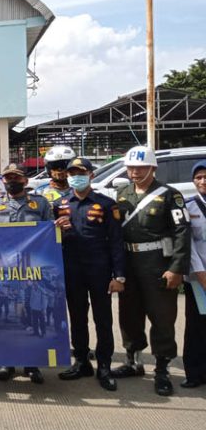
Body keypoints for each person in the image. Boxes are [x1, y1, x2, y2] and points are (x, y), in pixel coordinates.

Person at [110, 145, 191, 396]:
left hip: (157, 263)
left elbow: (182, 232)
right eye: (131, 167)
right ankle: (133, 361)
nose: (135, 172)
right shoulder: (122, 194)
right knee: (129, 314)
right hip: (129, 263)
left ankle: (162, 369)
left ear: (152, 168)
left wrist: (177, 268)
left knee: (162, 317)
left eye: (141, 167)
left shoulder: (170, 195)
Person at [53, 157, 124, 391]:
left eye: (80, 172)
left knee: (103, 318)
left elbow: (116, 241)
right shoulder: (62, 204)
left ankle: (104, 365)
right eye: (72, 172)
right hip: (72, 269)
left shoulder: (106, 204)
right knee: (77, 316)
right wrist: (57, 229)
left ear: (91, 175)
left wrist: (119, 275)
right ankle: (81, 360)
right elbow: (52, 240)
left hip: (100, 269)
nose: (75, 176)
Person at [0, 162, 53, 384]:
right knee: (4, 317)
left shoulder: (41, 204)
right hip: (4, 271)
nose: (11, 181)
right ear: (2, 181)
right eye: (7, 178)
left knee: (33, 314)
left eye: (16, 177)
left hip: (32, 269)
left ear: (25, 180)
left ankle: (32, 365)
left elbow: (50, 235)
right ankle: (7, 361)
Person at [183, 160, 206, 388]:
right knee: (196, 326)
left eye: (205, 176)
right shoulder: (189, 207)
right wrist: (201, 276)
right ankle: (194, 373)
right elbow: (187, 246)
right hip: (198, 277)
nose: (202, 181)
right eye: (198, 177)